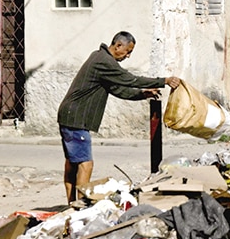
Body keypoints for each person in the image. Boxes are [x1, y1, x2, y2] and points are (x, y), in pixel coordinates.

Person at [57, 31, 180, 203]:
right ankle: (79, 206)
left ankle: (71, 203)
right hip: (76, 117)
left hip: (70, 115)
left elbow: (118, 89)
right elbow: (129, 79)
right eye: (128, 51)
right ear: (118, 45)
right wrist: (163, 81)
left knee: (72, 164)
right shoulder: (104, 61)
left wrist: (143, 95)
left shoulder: (99, 57)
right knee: (85, 164)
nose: (128, 56)